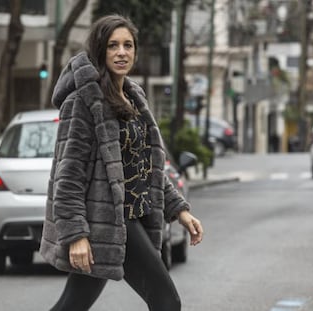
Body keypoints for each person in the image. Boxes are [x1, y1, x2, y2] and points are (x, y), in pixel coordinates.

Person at [40, 14, 203, 311]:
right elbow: (69, 176)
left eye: (128, 45)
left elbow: (147, 166)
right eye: (113, 45)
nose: (122, 52)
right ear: (100, 51)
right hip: (109, 222)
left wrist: (179, 210)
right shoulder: (83, 102)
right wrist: (77, 235)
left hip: (128, 217)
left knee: (72, 305)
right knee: (167, 301)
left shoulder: (133, 97)